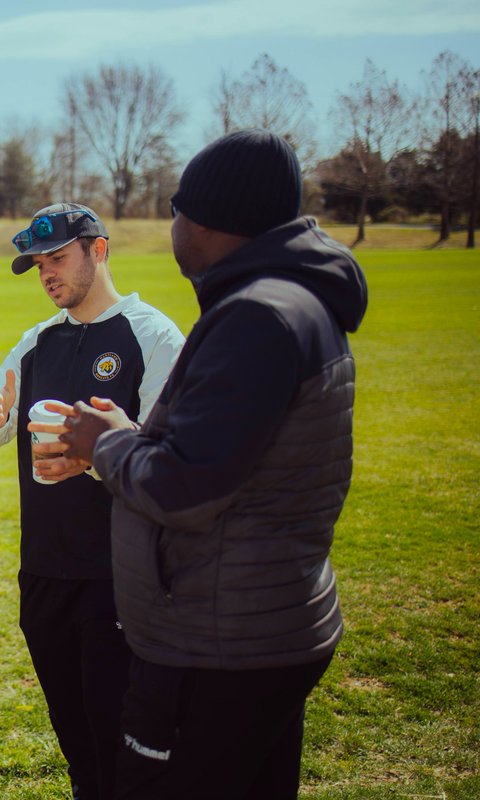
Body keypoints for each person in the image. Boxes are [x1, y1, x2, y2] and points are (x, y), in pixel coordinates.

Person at [30, 130, 368, 798]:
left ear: (209, 220)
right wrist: (134, 434)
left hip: (220, 641)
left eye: (177, 211)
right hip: (266, 620)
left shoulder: (257, 317)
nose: (173, 228)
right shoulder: (294, 303)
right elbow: (226, 457)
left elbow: (184, 487)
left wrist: (105, 441)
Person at [0, 203, 184, 800]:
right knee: (75, 736)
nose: (47, 275)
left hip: (119, 575)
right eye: (39, 266)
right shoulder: (37, 341)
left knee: (118, 737)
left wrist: (96, 455)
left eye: (57, 259)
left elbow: (172, 459)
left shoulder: (153, 336)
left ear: (99, 250)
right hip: (44, 572)